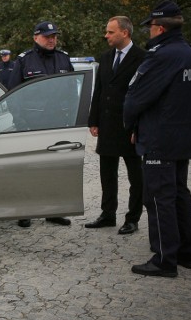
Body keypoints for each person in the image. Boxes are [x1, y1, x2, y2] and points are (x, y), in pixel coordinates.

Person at [124, 0, 191, 277]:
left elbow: (135, 98)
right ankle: (188, 252)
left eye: (150, 28)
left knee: (159, 197)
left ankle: (164, 259)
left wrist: (130, 125)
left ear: (158, 28)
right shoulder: (190, 54)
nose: (148, 33)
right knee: (179, 192)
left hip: (160, 137)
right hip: (182, 136)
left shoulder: (161, 56)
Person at [9, 21, 73, 227]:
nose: (52, 39)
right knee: (28, 169)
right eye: (47, 36)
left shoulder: (64, 59)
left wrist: (71, 119)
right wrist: (21, 122)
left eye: (54, 36)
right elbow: (12, 95)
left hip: (56, 124)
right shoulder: (24, 61)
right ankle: (25, 211)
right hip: (30, 126)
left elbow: (72, 92)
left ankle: (53, 211)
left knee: (55, 168)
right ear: (36, 37)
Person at [85, 16, 145, 235]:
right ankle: (108, 214)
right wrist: (94, 120)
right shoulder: (106, 56)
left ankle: (132, 218)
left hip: (129, 126)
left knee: (135, 176)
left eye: (110, 32)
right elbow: (99, 90)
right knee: (107, 173)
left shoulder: (142, 58)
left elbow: (143, 95)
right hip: (108, 125)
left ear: (125, 33)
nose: (106, 35)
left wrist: (139, 126)